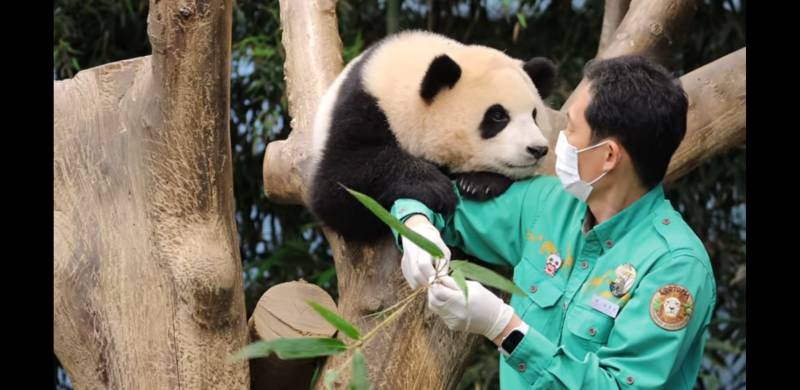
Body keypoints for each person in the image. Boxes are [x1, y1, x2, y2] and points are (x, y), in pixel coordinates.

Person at [390, 55, 716, 389]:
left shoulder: (675, 267)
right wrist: (416, 228)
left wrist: (505, 328)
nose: (550, 142)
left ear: (608, 156)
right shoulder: (547, 205)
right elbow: (435, 198)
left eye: (571, 129)